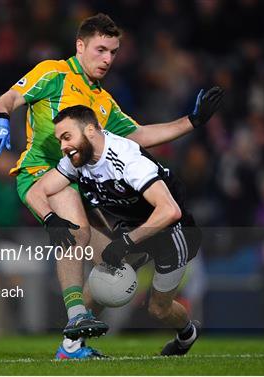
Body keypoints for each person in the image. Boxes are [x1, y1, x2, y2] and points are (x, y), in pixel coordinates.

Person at [0, 13, 222, 359]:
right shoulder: (53, 73)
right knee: (75, 233)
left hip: (80, 184)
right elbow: (7, 99)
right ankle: (77, 316)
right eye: (101, 50)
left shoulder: (103, 103)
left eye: (113, 52)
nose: (108, 59)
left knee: (113, 270)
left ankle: (71, 346)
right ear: (80, 46)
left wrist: (192, 121)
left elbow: (138, 134)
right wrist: (1, 119)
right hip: (41, 173)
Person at [26, 105, 203, 358]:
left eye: (66, 137)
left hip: (173, 232)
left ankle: (186, 333)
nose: (63, 146)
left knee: (158, 309)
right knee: (102, 281)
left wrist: (127, 241)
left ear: (90, 130)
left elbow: (169, 211)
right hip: (133, 227)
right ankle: (71, 348)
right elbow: (35, 192)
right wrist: (50, 218)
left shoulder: (126, 159)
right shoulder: (77, 159)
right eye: (59, 140)